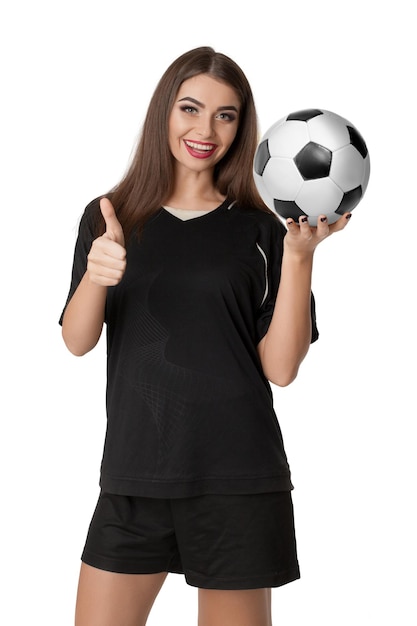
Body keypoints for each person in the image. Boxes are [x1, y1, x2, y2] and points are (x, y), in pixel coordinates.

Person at [60, 46, 351, 626]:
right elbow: (76, 340)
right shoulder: (110, 218)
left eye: (226, 115)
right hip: (134, 477)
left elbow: (281, 369)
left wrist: (298, 258)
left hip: (237, 479)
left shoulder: (264, 227)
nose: (205, 129)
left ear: (242, 128)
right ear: (164, 111)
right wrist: (97, 276)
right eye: (190, 109)